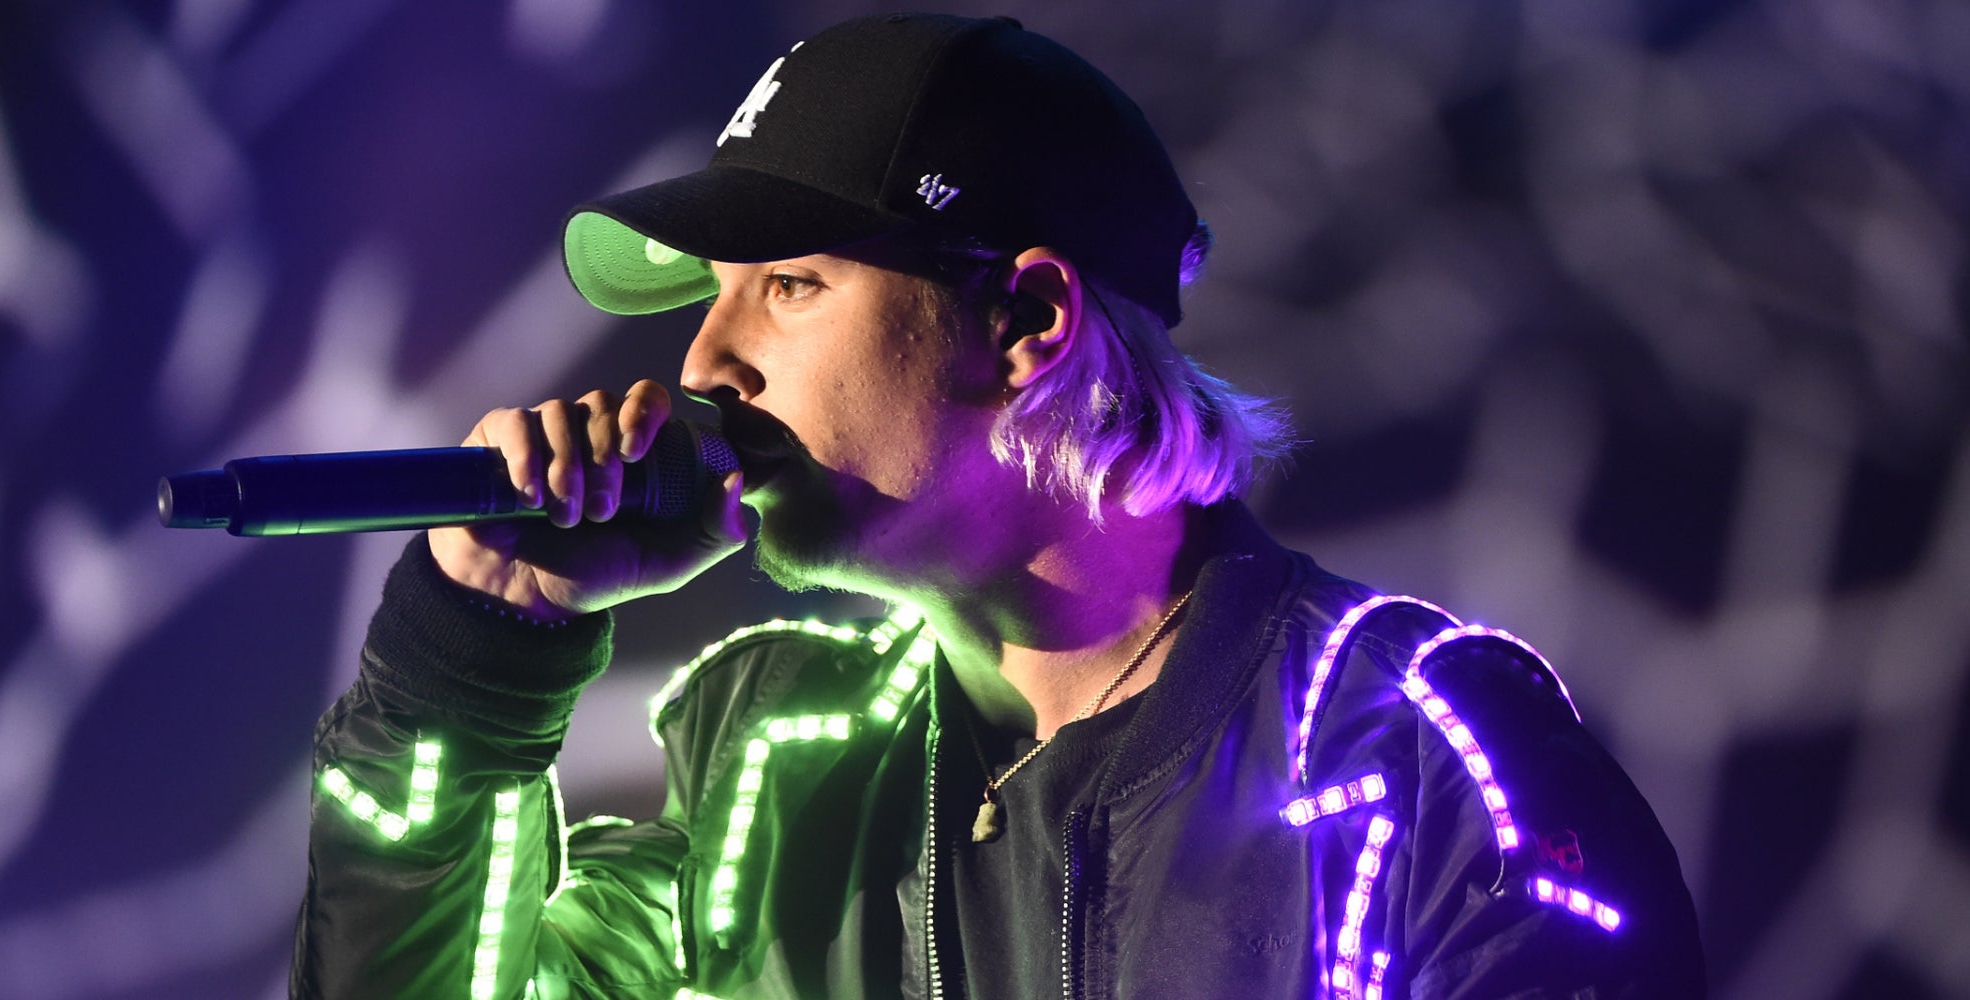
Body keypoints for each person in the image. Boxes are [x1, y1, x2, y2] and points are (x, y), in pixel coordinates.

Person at [290, 13, 1705, 999]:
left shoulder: (1419, 749)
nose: (705, 365)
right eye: (707, 302)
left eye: (789, 285)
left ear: (1026, 317)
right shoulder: (769, 761)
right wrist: (481, 653)